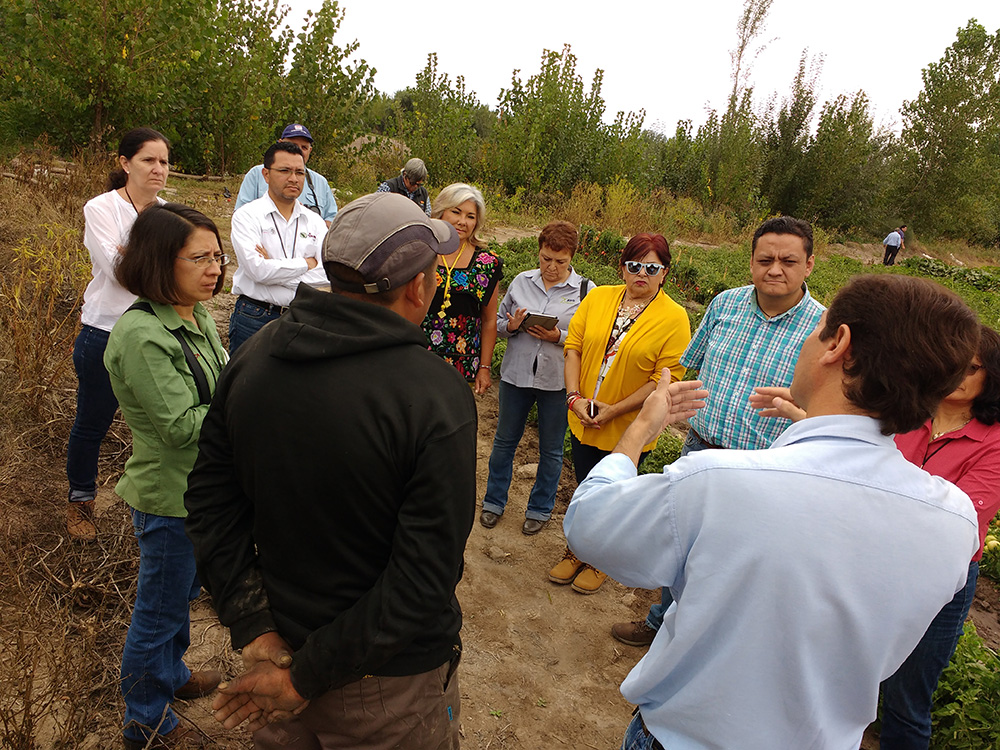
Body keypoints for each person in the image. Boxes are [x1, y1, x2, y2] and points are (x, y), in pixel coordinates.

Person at [565, 274, 981, 750]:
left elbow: (589, 525)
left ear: (838, 344)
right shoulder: (955, 521)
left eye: (818, 327)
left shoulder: (718, 482)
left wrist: (640, 430)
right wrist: (817, 426)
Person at [184, 193, 476, 749]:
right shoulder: (434, 395)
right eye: (436, 271)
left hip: (280, 653)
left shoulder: (258, 354)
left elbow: (209, 503)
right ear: (417, 287)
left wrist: (254, 625)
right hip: (386, 688)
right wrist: (306, 677)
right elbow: (424, 577)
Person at [753, 327, 1000, 749]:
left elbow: (954, 513)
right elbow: (856, 446)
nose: (958, 373)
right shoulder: (905, 413)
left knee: (907, 700)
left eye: (971, 367)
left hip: (940, 582)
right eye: (953, 361)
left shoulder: (992, 441)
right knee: (833, 670)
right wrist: (810, 405)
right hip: (867, 559)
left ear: (991, 375)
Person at [611, 215, 824, 646]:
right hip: (700, 449)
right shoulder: (725, 305)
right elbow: (690, 366)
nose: (775, 269)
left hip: (766, 469)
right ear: (751, 262)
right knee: (682, 544)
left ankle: (704, 640)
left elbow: (826, 410)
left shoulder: (823, 330)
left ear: (809, 265)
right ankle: (661, 622)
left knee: (737, 561)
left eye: (788, 260)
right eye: (765, 259)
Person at [104, 203, 229, 749]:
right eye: (199, 257)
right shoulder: (140, 334)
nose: (214, 269)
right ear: (160, 261)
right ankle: (145, 720)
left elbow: (221, 380)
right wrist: (242, 406)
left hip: (201, 490)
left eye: (217, 256)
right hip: (169, 495)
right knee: (157, 610)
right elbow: (180, 426)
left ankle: (172, 676)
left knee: (179, 595)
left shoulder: (192, 312)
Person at [547, 234, 690, 594]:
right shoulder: (598, 297)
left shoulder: (674, 318)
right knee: (584, 485)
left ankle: (599, 561)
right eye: (634, 265)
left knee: (616, 496)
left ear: (664, 273)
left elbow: (665, 378)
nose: (642, 273)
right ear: (622, 268)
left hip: (629, 426)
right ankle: (577, 550)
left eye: (652, 267)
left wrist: (614, 410)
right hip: (584, 416)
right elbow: (573, 347)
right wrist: (574, 398)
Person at [66, 127, 170, 541]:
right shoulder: (102, 208)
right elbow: (118, 271)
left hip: (156, 334)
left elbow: (187, 270)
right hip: (106, 332)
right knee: (93, 421)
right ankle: (80, 501)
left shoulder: (169, 214)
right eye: (149, 160)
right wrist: (155, 263)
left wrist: (138, 256)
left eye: (164, 161)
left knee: (162, 423)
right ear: (125, 163)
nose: (158, 169)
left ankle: (155, 504)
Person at [481, 220, 590, 536]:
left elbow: (588, 340)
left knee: (552, 449)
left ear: (572, 258)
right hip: (515, 376)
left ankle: (540, 508)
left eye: (560, 262)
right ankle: (493, 502)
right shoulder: (520, 282)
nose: (551, 268)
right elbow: (496, 323)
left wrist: (558, 335)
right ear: (538, 252)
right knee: (504, 442)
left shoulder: (586, 291)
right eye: (546, 259)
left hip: (557, 382)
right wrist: (512, 326)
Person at [228, 141, 329, 354]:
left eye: (299, 172)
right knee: (248, 385)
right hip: (256, 316)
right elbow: (257, 270)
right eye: (284, 171)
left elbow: (326, 275)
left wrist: (273, 267)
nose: (293, 178)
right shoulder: (246, 216)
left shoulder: (315, 222)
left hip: (302, 317)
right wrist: (306, 264)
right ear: (266, 174)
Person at [421, 183, 503, 394]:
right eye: (456, 212)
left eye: (470, 216)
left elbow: (489, 319)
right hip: (418, 356)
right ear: (441, 212)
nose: (462, 222)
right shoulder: (422, 252)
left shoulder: (486, 263)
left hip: (462, 364)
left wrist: (484, 368)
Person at [234, 124, 338, 223]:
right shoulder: (256, 174)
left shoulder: (320, 182)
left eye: (304, 147)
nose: (298, 151)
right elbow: (241, 215)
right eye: (292, 145)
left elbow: (332, 219)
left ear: (310, 151)